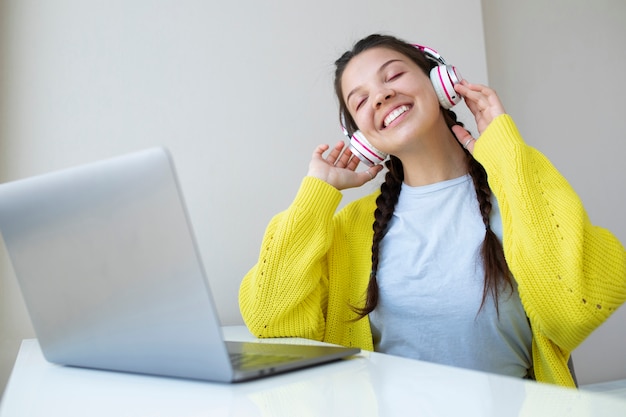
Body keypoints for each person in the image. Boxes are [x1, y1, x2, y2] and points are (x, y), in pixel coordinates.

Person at [238, 33, 626, 387]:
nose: (380, 96)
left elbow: (578, 307)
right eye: (360, 100)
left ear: (440, 83)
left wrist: (507, 154)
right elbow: (271, 319)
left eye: (393, 76)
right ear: (360, 137)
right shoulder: (350, 228)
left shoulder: (516, 185)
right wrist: (316, 195)